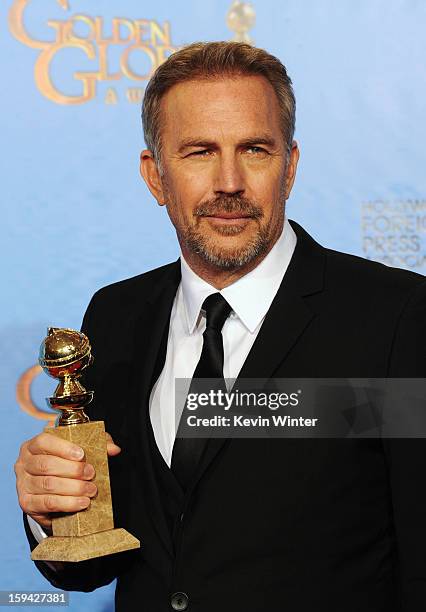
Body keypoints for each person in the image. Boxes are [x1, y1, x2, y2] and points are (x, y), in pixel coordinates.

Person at [14, 41, 426, 611]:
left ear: (291, 166)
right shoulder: (115, 315)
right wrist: (52, 514)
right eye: (199, 152)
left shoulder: (397, 318)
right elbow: (102, 564)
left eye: (254, 149)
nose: (229, 181)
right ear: (155, 176)